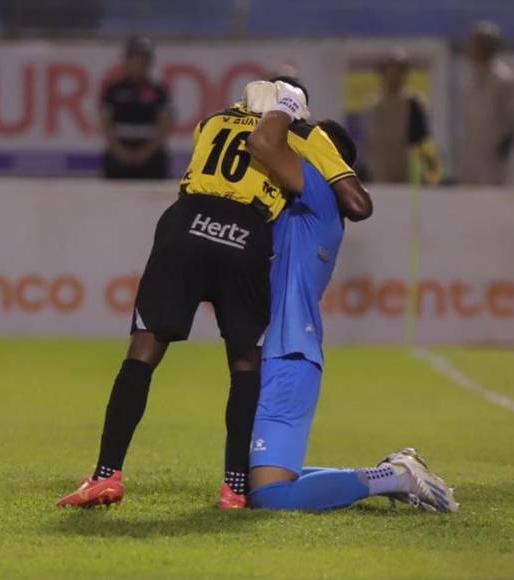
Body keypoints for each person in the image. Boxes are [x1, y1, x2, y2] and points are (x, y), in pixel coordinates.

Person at [56, 77, 369, 510]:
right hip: (247, 239)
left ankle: (106, 474)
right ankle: (234, 488)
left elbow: (249, 142)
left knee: (143, 351)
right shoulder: (303, 148)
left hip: (189, 223)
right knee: (244, 366)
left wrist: (276, 111)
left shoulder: (230, 127)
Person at [242, 82, 458, 513]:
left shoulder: (318, 193)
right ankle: (394, 472)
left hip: (289, 355)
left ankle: (396, 476)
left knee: (270, 496)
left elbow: (266, 144)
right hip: (284, 352)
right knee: (266, 482)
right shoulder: (301, 202)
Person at [364, 47, 441, 184]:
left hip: (406, 177)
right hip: (378, 175)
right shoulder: (372, 106)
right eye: (391, 69)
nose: (395, 74)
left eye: (400, 70)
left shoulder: (413, 103)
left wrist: (431, 171)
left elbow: (423, 141)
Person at [99, 37, 172, 179]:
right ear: (126, 61)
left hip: (152, 159)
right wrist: (120, 151)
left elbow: (164, 124)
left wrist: (145, 153)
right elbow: (105, 123)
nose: (138, 65)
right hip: (118, 157)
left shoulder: (159, 91)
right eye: (134, 59)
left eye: (142, 61)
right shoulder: (113, 90)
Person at [458, 22, 514, 185]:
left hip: (492, 156)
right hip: (470, 154)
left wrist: (501, 151)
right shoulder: (468, 77)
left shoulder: (504, 78)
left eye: (479, 44)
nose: (473, 48)